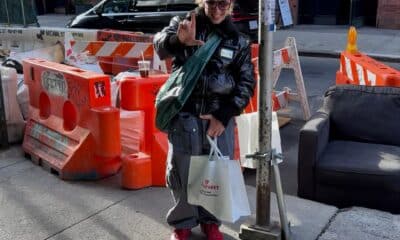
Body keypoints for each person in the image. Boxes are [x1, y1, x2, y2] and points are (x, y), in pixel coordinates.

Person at [153, 0, 255, 239]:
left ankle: (210, 221)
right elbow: (159, 45)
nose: (217, 9)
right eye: (211, 2)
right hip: (185, 115)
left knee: (215, 173)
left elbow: (247, 82)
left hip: (218, 120)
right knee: (182, 171)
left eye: (223, 3)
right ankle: (183, 224)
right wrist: (178, 41)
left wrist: (224, 115)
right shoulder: (185, 24)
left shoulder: (238, 40)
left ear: (230, 4)